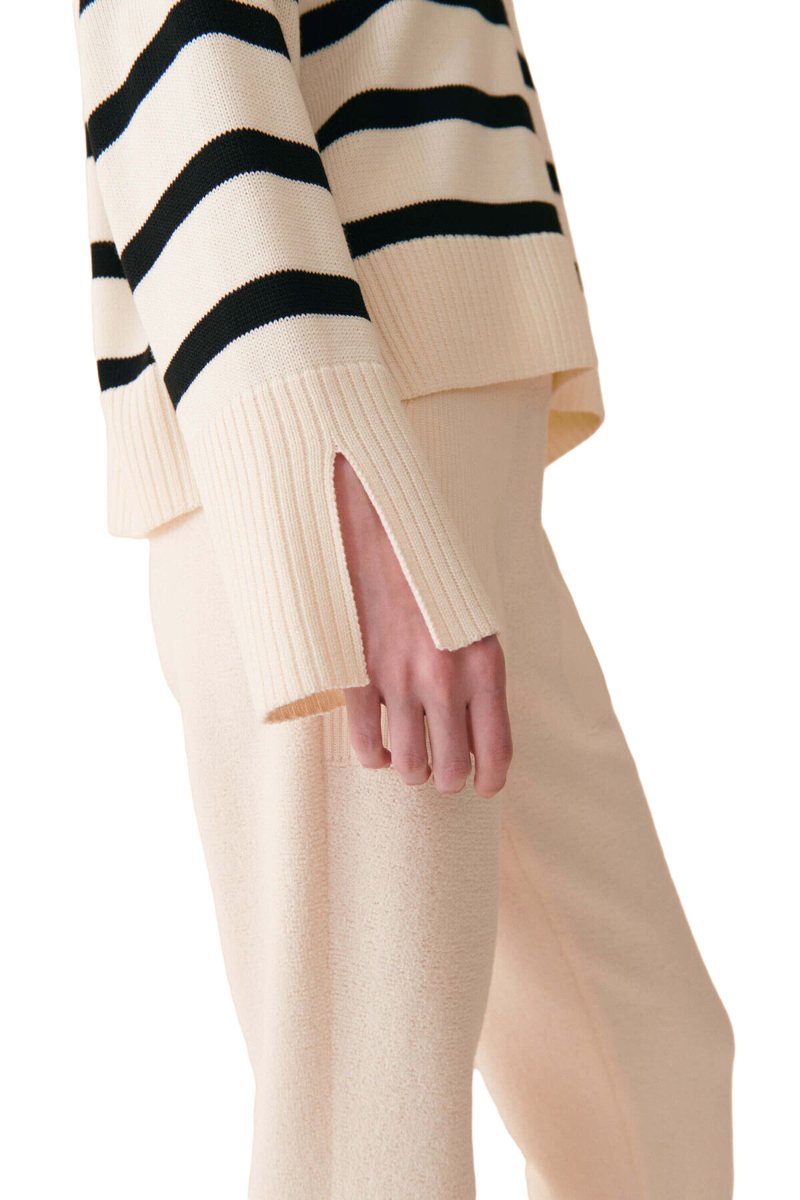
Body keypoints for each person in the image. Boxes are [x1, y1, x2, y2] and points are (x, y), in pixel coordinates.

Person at [72, 1, 735, 1196]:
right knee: (371, 1145)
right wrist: (330, 464)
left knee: (653, 1063)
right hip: (350, 438)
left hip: (453, 445)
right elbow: (177, 41)